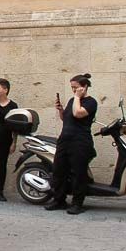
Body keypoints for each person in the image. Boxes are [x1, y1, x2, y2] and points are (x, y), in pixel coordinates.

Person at [44, 73, 98, 215]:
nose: (74, 90)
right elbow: (67, 119)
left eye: (76, 87)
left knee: (79, 173)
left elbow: (78, 114)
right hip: (65, 139)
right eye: (72, 88)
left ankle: (77, 203)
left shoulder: (91, 102)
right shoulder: (72, 100)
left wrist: (77, 97)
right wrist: (61, 110)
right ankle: (59, 200)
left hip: (80, 141)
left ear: (85, 86)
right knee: (59, 170)